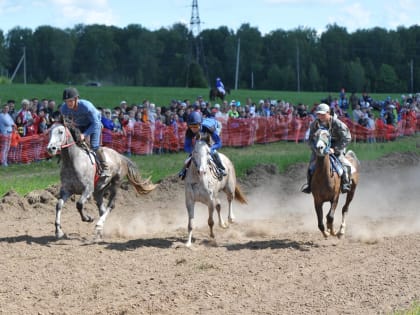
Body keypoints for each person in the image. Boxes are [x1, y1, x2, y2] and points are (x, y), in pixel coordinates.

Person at [301, 103, 352, 194]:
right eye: (318, 114)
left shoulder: (338, 124)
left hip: (336, 146)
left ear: (328, 113)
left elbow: (347, 138)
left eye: (323, 114)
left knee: (345, 165)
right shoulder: (314, 124)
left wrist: (335, 149)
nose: (320, 116)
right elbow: (309, 139)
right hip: (319, 148)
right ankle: (309, 185)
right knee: (311, 167)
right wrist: (315, 148)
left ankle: (345, 184)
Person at [60, 87, 110, 178]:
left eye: (70, 101)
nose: (68, 104)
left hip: (94, 124)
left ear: (76, 99)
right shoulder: (64, 108)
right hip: (79, 125)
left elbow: (96, 123)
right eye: (66, 101)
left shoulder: (86, 106)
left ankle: (105, 168)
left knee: (94, 146)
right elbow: (65, 122)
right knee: (75, 144)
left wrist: (85, 134)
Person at [178, 111, 226, 180]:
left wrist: (211, 149)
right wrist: (193, 151)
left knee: (211, 150)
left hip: (216, 126)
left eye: (195, 126)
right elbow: (186, 147)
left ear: (200, 124)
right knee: (195, 151)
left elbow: (218, 143)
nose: (193, 129)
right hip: (202, 133)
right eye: (191, 126)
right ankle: (184, 170)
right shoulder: (189, 131)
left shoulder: (208, 128)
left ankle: (221, 168)